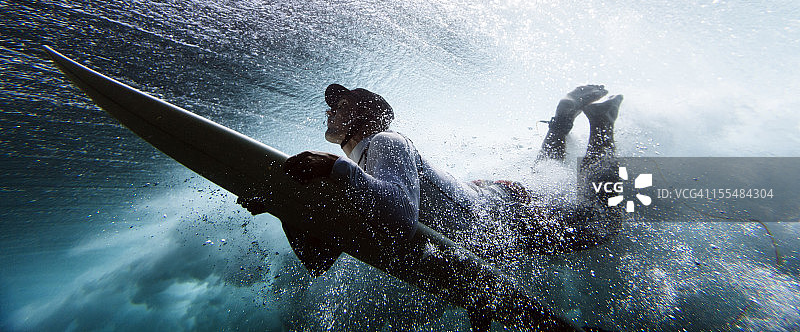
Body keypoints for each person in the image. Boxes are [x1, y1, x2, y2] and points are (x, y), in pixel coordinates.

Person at [238, 83, 623, 268]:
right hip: (485, 208)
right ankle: (564, 119)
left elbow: (400, 218)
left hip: (500, 216)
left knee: (605, 221)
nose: (331, 109)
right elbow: (319, 259)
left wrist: (331, 166)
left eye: (342, 102)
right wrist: (289, 207)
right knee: (550, 180)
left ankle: (599, 124)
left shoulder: (386, 141)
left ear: (369, 115)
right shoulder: (363, 172)